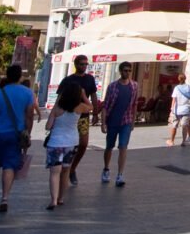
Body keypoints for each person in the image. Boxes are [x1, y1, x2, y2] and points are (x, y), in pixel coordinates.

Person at [0, 64, 36, 213]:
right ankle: (5, 197)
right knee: (9, 166)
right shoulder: (27, 93)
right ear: (20, 76)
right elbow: (29, 115)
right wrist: (27, 133)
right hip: (16, 135)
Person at [43, 83, 91, 210]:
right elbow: (90, 107)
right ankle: (61, 198)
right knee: (65, 171)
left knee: (54, 173)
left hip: (55, 143)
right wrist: (84, 95)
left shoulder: (57, 108)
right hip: (72, 143)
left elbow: (47, 126)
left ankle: (53, 200)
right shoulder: (80, 107)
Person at [55, 55, 99, 186]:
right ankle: (64, 169)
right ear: (76, 64)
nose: (84, 66)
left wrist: (95, 113)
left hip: (83, 116)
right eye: (81, 64)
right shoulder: (68, 80)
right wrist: (55, 115)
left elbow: (94, 95)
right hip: (68, 115)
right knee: (68, 144)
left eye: (86, 64)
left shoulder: (90, 79)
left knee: (83, 144)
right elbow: (59, 98)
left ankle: (72, 168)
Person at [100, 62, 138, 186]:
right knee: (109, 147)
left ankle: (120, 174)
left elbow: (134, 104)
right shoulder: (112, 87)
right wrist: (103, 122)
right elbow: (105, 105)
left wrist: (133, 122)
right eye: (125, 70)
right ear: (120, 71)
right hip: (112, 121)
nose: (127, 73)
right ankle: (106, 169)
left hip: (126, 121)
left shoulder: (134, 86)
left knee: (123, 147)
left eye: (129, 70)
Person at [165, 74, 190, 147]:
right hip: (186, 109)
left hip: (177, 109)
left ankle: (172, 141)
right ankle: (184, 141)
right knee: (184, 125)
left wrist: (171, 109)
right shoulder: (189, 87)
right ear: (185, 79)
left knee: (174, 125)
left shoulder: (177, 88)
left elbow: (174, 99)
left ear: (178, 79)